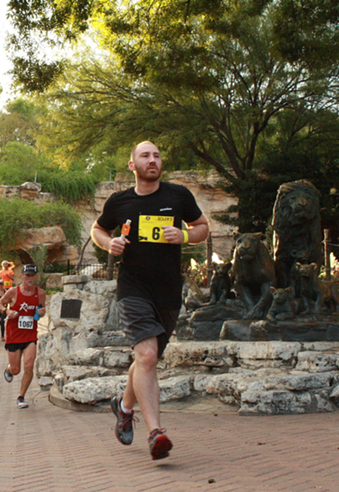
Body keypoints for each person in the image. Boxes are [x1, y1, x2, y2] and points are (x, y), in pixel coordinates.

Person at [91, 141, 209, 460]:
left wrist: (184, 236)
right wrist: (109, 243)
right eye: (145, 156)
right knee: (146, 356)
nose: (152, 160)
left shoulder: (178, 196)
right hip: (133, 288)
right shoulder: (120, 201)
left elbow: (202, 228)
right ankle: (156, 432)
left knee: (147, 360)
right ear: (133, 165)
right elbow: (97, 229)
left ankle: (124, 407)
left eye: (157, 155)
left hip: (169, 291)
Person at [0, 264, 46, 409]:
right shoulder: (13, 292)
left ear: (36, 276)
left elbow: (41, 309)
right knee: (17, 369)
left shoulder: (40, 293)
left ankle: (21, 396)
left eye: (32, 275)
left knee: (29, 366)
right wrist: (7, 312)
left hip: (30, 335)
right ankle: (9, 369)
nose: (30, 278)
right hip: (14, 335)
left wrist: (42, 313)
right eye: (27, 275)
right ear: (22, 276)